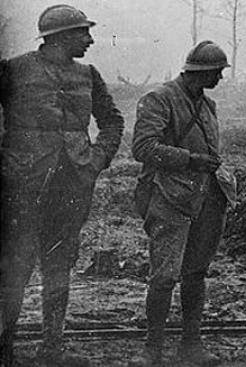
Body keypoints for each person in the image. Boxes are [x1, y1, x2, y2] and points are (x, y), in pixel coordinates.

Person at [0, 5, 124, 366]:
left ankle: (52, 349)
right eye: (83, 33)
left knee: (59, 266)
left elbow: (112, 121)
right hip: (21, 187)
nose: (90, 40)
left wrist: (96, 159)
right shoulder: (14, 69)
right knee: (15, 269)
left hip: (71, 188)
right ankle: (4, 349)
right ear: (60, 37)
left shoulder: (89, 74)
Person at [128, 40, 236, 366]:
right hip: (169, 196)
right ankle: (152, 350)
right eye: (216, 73)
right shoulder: (159, 99)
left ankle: (191, 346)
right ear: (200, 72)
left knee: (196, 273)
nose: (219, 78)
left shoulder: (207, 106)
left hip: (207, 198)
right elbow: (143, 147)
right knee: (164, 275)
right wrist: (190, 160)